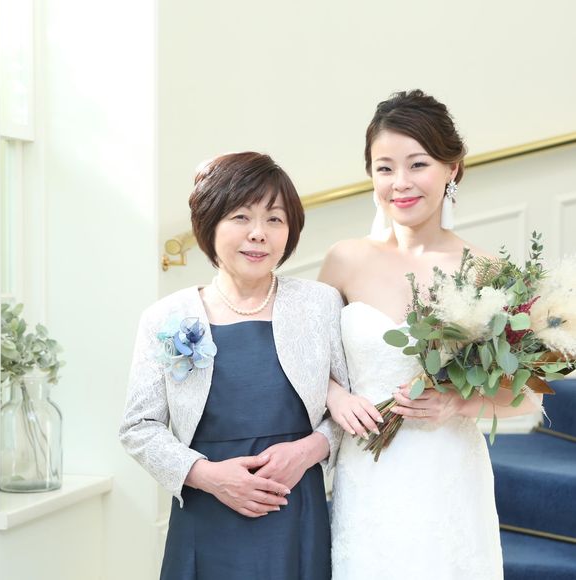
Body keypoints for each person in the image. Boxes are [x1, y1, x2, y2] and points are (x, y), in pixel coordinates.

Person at [320, 90, 542, 580]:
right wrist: (336, 396)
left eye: (417, 164)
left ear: (452, 169)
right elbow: (308, 360)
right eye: (384, 168)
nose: (399, 183)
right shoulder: (344, 260)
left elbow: (527, 395)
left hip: (447, 474)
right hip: (368, 473)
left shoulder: (486, 271)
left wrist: (456, 403)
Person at [120, 152, 348, 580]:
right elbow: (138, 426)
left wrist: (308, 451)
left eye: (275, 219)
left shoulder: (320, 305)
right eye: (241, 217)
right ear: (210, 224)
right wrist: (207, 475)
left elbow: (348, 408)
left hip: (296, 511)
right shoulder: (166, 317)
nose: (258, 233)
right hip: (206, 514)